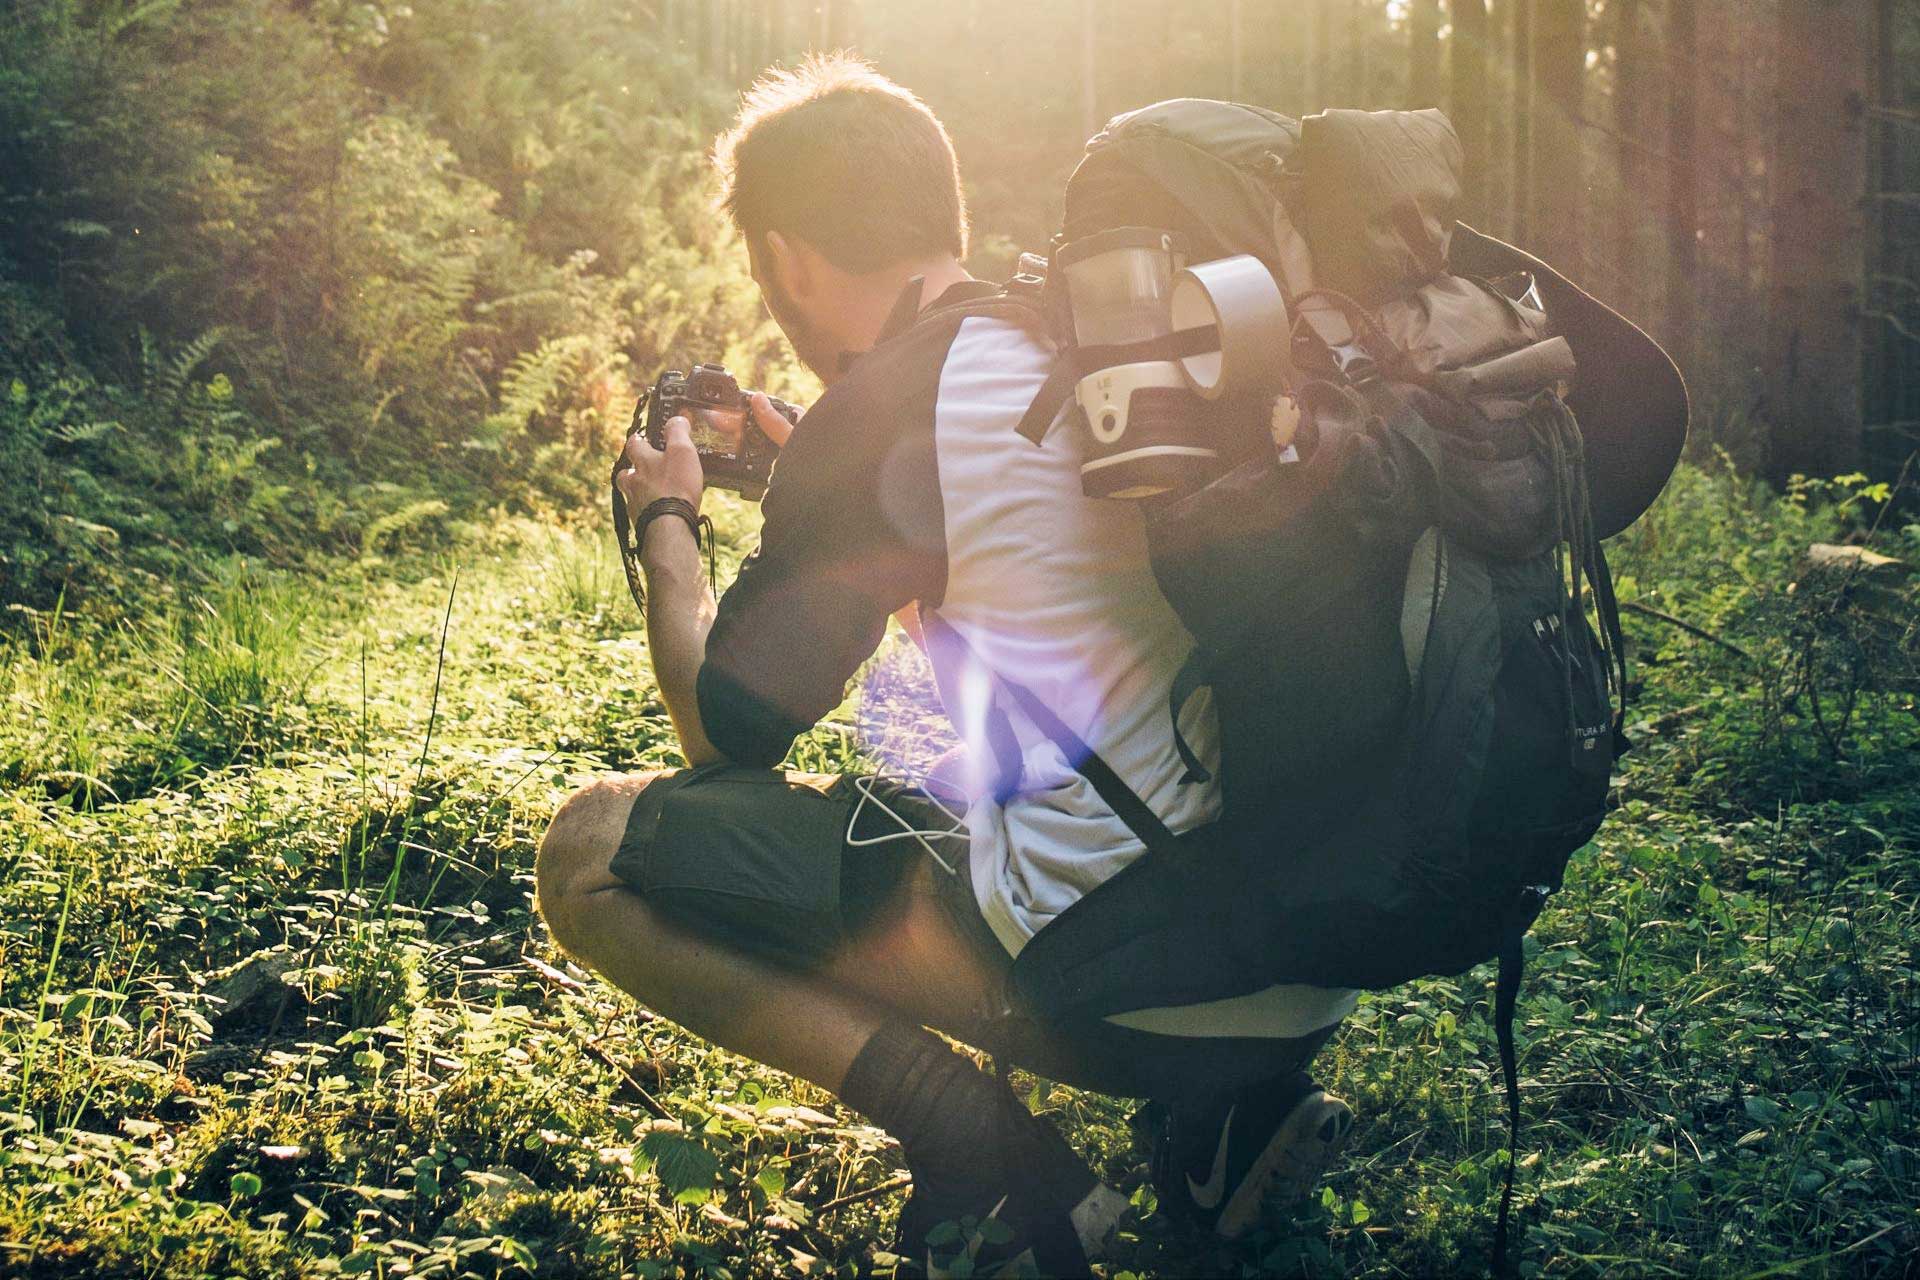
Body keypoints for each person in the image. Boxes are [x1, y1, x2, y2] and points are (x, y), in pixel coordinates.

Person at [534, 54, 1355, 1275]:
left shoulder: (890, 406)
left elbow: (723, 737)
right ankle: (1229, 1125)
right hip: (1307, 960)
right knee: (990, 766)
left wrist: (668, 526)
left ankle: (973, 1142)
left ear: (787, 257)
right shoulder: (1076, 347)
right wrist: (826, 461)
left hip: (1127, 983)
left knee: (591, 855)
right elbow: (1036, 587)